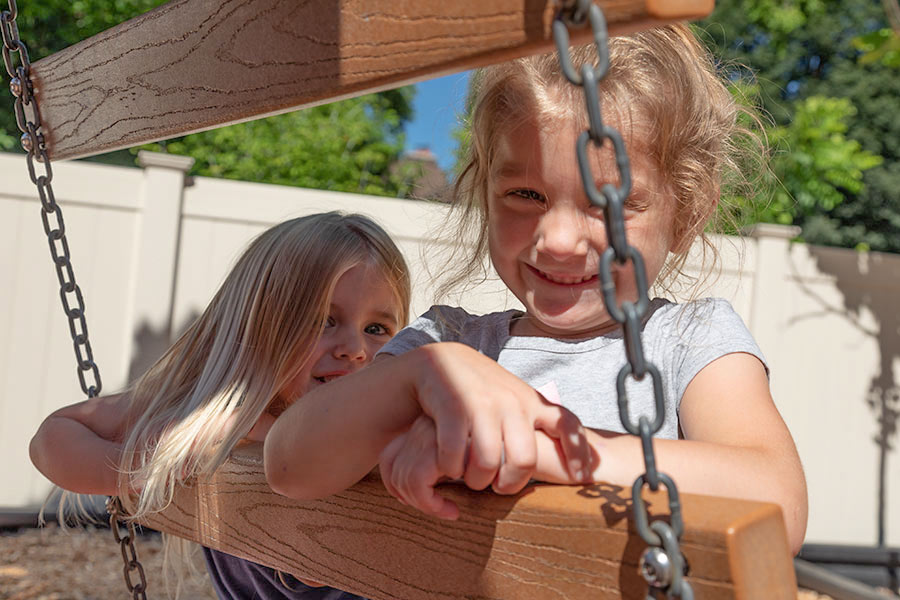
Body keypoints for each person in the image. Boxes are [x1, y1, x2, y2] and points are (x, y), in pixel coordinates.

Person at [264, 24, 808, 554]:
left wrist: (554, 451)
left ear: (686, 212)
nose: (560, 241)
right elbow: (289, 463)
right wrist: (418, 378)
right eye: (526, 194)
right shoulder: (447, 343)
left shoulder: (691, 342)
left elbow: (778, 506)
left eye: (607, 204)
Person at [30, 211, 412, 599]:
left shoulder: (390, 440)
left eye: (377, 329)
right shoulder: (213, 409)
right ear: (255, 327)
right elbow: (53, 437)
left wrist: (267, 434)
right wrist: (144, 467)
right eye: (322, 321)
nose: (355, 349)